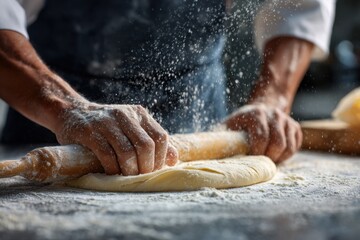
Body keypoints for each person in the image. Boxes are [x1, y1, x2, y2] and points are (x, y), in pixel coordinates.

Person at [0, 0, 335, 175]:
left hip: (198, 104)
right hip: (48, 116)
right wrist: (68, 108)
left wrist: (272, 100)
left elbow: (302, 6)